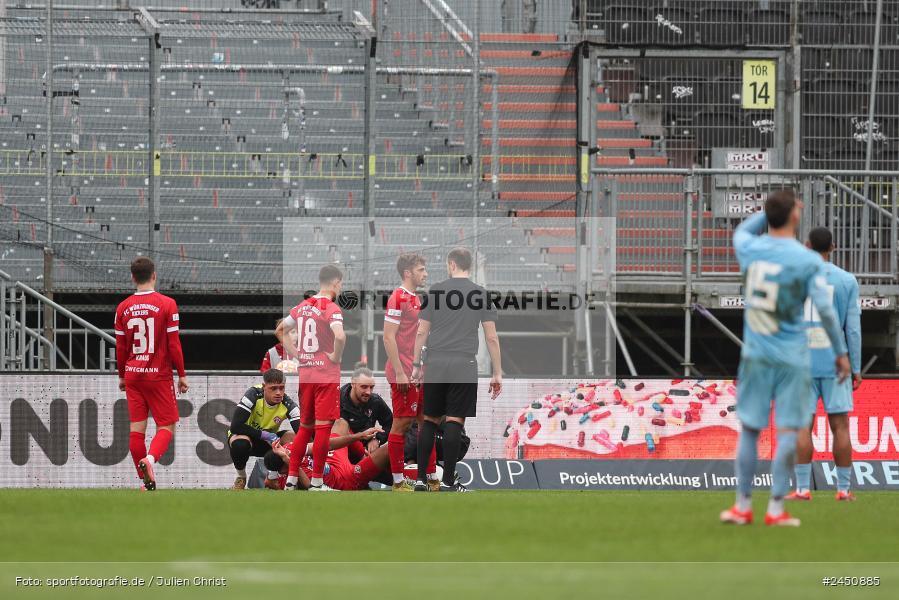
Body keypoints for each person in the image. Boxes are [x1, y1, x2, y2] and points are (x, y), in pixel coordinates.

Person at [720, 190, 850, 527]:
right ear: (795, 216)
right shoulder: (806, 260)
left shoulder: (748, 246)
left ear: (768, 216)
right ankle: (775, 509)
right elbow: (825, 311)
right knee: (789, 431)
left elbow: (746, 229)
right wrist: (840, 353)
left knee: (749, 430)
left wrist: (771, 211)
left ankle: (742, 505)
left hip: (755, 353)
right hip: (792, 357)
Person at [412, 247, 502, 492]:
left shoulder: (436, 291)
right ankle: (449, 482)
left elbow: (422, 330)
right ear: (468, 265)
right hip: (464, 363)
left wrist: (415, 364)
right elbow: (491, 337)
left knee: (429, 420)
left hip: (436, 361)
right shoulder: (480, 294)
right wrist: (497, 372)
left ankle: (420, 480)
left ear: (451, 264)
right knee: (454, 420)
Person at [788, 227, 863, 502]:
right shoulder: (846, 280)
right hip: (835, 361)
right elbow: (852, 329)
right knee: (840, 426)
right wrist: (855, 367)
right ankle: (843, 490)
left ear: (807, 246)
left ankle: (803, 489)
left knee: (802, 427)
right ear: (833, 246)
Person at [114, 257, 189, 491]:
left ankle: (145, 481)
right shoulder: (167, 304)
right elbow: (174, 344)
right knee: (166, 426)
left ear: (133, 278)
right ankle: (151, 460)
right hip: (158, 375)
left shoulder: (123, 307)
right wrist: (182, 374)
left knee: (137, 430)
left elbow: (121, 347)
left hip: (134, 374)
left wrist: (122, 376)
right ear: (154, 275)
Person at [276, 264, 346, 491]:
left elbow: (279, 330)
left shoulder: (302, 306)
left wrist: (299, 356)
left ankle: (291, 479)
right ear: (336, 282)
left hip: (306, 374)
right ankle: (317, 482)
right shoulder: (331, 308)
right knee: (323, 428)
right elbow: (340, 336)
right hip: (326, 374)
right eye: (341, 283)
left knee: (305, 428)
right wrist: (335, 356)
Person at [382, 253, 437, 492]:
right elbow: (388, 337)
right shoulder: (397, 297)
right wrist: (400, 372)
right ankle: (397, 481)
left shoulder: (418, 299)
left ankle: (432, 477)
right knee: (402, 424)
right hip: (403, 371)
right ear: (408, 273)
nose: (425, 274)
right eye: (421, 270)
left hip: (419, 370)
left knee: (428, 422)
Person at [228, 368, 301, 490]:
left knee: (294, 439)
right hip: (245, 436)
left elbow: (302, 433)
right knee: (241, 444)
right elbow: (236, 426)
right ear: (264, 386)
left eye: (281, 388)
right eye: (273, 388)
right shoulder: (253, 394)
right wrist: (264, 435)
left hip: (269, 442)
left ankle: (273, 478)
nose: (278, 393)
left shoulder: (288, 404)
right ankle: (241, 477)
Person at [270, 419, 386, 491]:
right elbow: (310, 487)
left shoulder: (287, 449)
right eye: (287, 455)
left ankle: (362, 455)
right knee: (389, 448)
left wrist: (359, 436)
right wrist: (290, 462)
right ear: (285, 467)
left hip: (332, 460)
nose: (289, 452)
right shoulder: (289, 480)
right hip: (346, 478)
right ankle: (400, 479)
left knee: (341, 423)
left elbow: (325, 445)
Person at [339, 364, 392, 452]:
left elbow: (390, 423)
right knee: (341, 423)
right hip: (342, 449)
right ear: (353, 383)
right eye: (364, 387)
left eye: (371, 387)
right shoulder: (337, 401)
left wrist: (377, 439)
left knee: (389, 453)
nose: (368, 392)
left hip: (367, 450)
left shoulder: (375, 401)